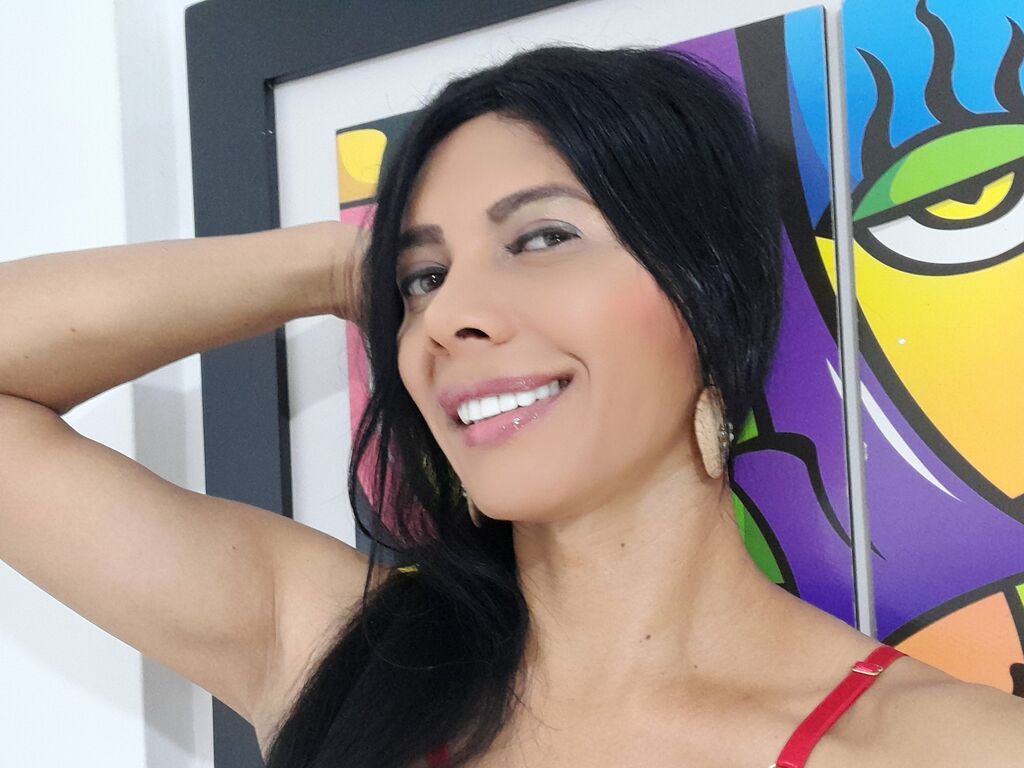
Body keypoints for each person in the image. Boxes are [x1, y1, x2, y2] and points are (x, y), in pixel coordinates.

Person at [0, 43, 1020, 768]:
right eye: (423, 278)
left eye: (540, 239)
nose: (449, 317)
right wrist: (348, 260)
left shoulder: (945, 747)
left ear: (703, 294)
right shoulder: (342, 658)